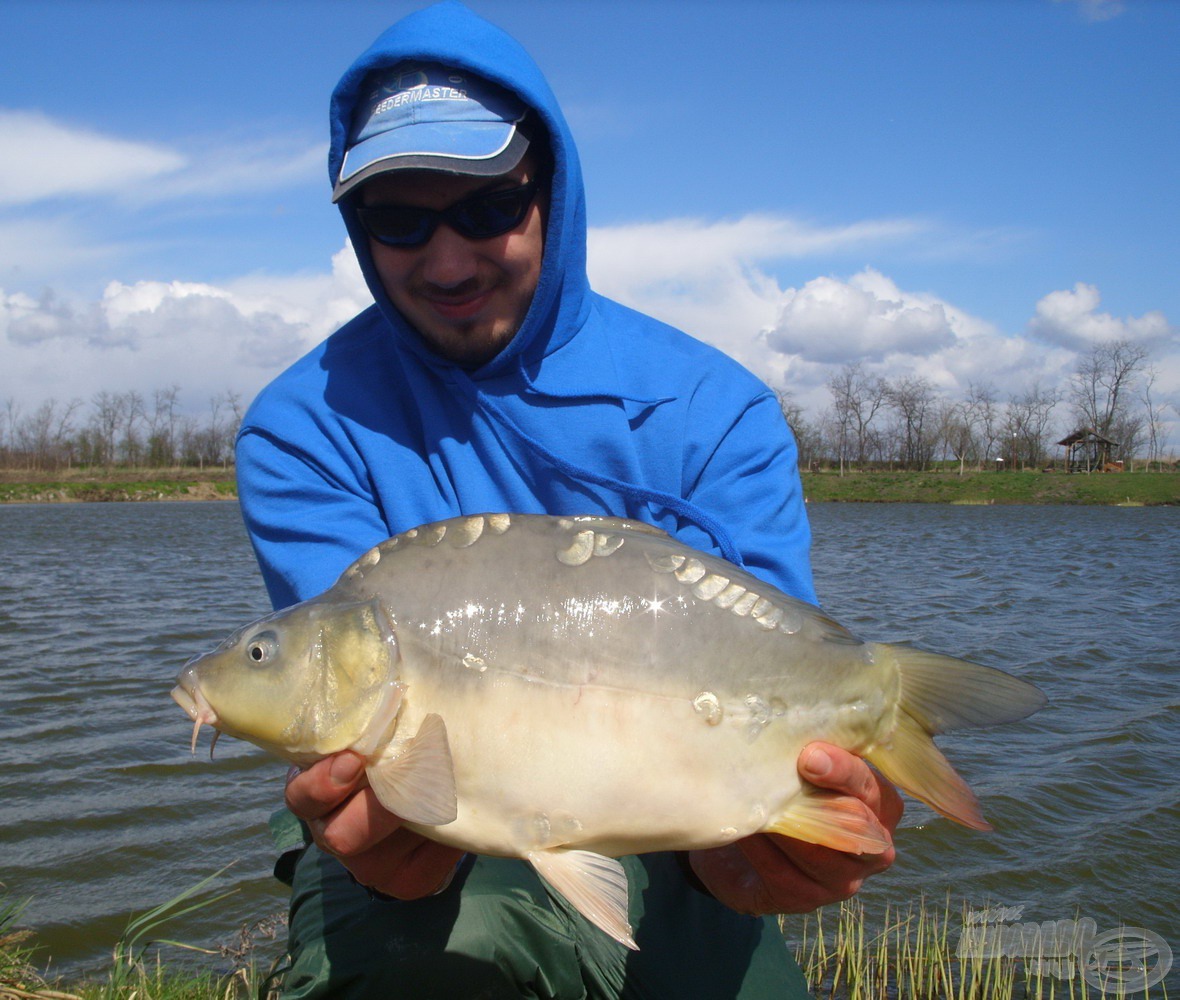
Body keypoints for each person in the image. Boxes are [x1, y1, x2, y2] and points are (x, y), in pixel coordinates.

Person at [236, 3, 902, 997]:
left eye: (488, 208)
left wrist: (753, 855)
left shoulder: (712, 411)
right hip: (440, 831)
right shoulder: (304, 424)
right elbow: (348, 708)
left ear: (552, 189)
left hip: (686, 834)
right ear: (355, 228)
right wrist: (395, 847)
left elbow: (775, 683)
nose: (449, 260)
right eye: (399, 221)